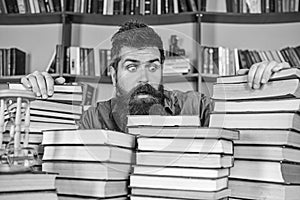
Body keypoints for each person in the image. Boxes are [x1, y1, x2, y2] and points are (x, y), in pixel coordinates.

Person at [21, 20, 290, 133]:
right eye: (131, 66)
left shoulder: (196, 106)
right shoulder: (93, 119)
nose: (144, 78)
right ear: (113, 75)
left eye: (152, 65)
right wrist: (36, 99)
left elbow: (251, 128)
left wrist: (275, 85)